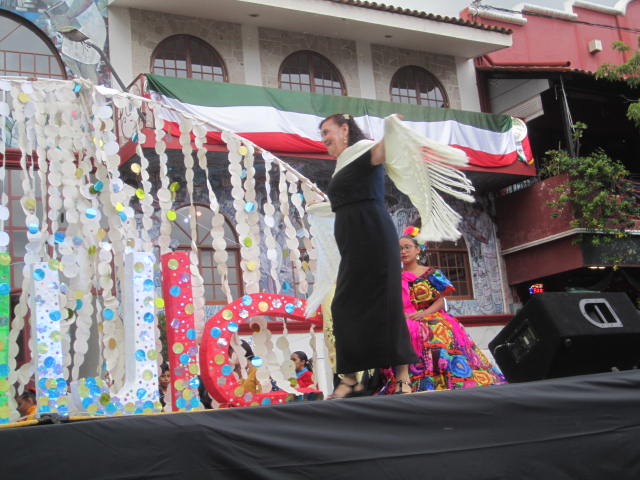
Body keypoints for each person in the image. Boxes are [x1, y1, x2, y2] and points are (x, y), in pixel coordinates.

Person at [317, 113, 419, 398]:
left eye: (327, 131)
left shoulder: (363, 151)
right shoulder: (341, 166)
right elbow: (347, 201)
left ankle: (402, 377)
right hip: (352, 242)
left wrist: (392, 127)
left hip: (373, 234)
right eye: (321, 134)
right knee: (343, 306)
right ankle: (351, 379)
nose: (324, 139)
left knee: (386, 301)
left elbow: (385, 149)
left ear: (345, 129)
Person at [384, 226, 505, 393]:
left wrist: (424, 314)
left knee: (438, 333)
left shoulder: (431, 273)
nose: (403, 252)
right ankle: (406, 381)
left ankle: (447, 380)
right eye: (399, 249)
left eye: (407, 247)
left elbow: (441, 300)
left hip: (431, 314)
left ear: (418, 249)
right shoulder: (395, 276)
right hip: (407, 317)